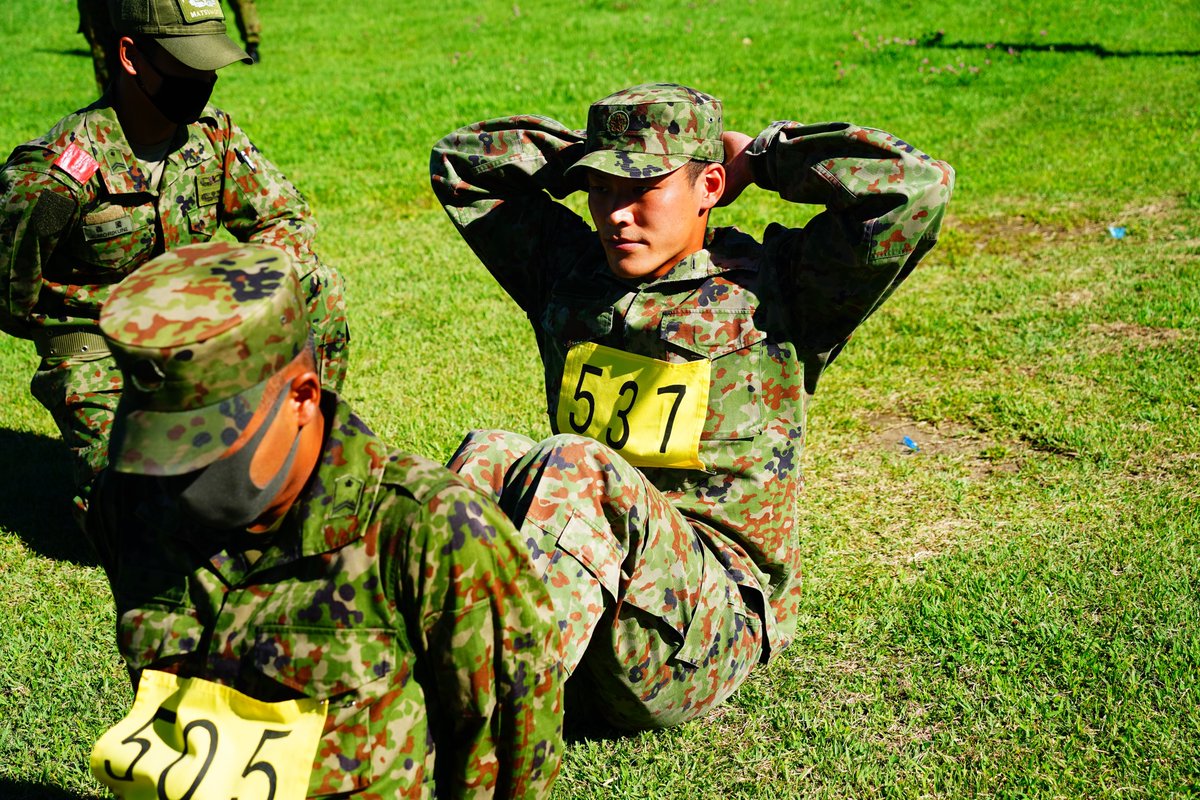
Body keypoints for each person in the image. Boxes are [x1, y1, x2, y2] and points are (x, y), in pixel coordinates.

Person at [430, 83, 955, 729]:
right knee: (489, 456)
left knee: (574, 463)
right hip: (584, 591)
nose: (617, 213)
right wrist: (588, 157)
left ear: (709, 186)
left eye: (643, 189)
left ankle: (476, 728)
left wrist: (764, 159)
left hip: (702, 632)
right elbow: (462, 164)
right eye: (603, 190)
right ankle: (402, 675)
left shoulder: (778, 289)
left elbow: (916, 186)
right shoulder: (571, 272)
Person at [85, 241, 562, 799]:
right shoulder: (129, 503)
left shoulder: (430, 530)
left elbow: (505, 754)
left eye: (204, 443)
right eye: (156, 445)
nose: (172, 475)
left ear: (301, 398)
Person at [1, 0, 348, 516]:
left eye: (209, 66)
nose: (202, 79)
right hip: (105, 351)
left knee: (315, 282)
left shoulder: (214, 137)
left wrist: (233, 306)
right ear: (131, 57)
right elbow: (10, 294)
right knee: (148, 524)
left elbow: (286, 219)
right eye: (186, 65)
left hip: (199, 333)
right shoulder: (57, 175)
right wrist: (88, 339)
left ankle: (305, 443)